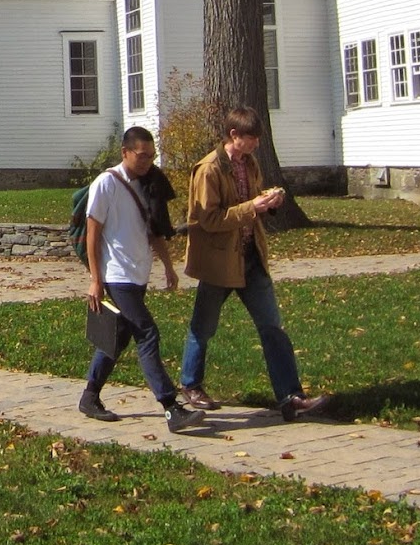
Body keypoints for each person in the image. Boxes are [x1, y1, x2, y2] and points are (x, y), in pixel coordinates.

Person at [177, 106, 333, 422]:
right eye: (251, 138)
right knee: (203, 326)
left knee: (272, 326)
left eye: (257, 138)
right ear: (233, 135)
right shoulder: (208, 169)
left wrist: (270, 202)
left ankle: (291, 397)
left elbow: (253, 201)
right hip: (219, 260)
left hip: (250, 256)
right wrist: (252, 206)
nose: (256, 144)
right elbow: (208, 220)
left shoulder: (249, 163)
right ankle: (190, 384)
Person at [78, 125, 205, 434]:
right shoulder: (106, 183)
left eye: (151, 156)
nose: (147, 161)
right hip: (116, 275)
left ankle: (89, 397)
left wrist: (168, 266)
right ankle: (171, 407)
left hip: (138, 274)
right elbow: (92, 234)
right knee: (147, 334)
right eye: (142, 155)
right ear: (125, 152)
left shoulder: (149, 183)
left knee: (118, 337)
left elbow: (153, 229)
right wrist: (95, 279)